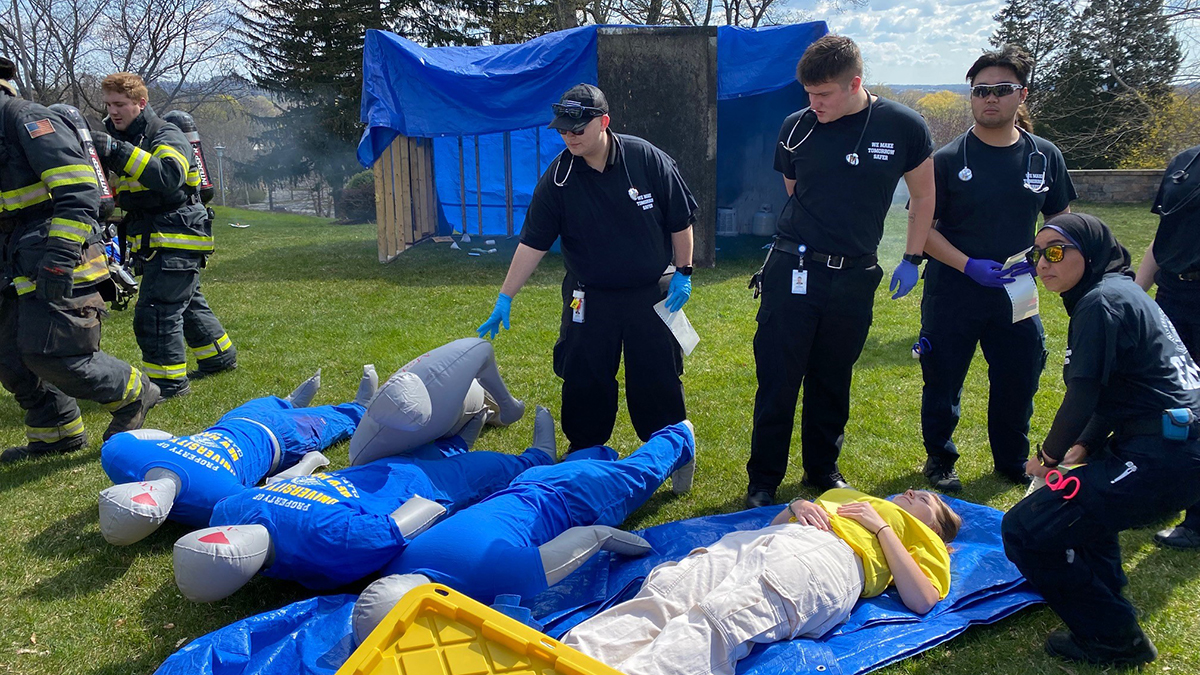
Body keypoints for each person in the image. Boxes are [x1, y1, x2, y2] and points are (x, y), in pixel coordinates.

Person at [1002, 213, 1200, 667]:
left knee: (1025, 529)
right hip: (1172, 445)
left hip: (1166, 454)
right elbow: (1117, 390)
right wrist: (1087, 446)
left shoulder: (1099, 303)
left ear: (1088, 253)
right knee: (1084, 503)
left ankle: (1114, 639)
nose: (1043, 264)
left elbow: (1085, 392)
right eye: (1036, 255)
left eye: (1055, 252)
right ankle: (1106, 596)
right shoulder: (1121, 290)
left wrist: (1047, 457)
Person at [746, 35, 936, 507]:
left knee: (833, 376)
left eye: (824, 94)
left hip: (854, 275)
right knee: (779, 376)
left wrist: (912, 257)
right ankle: (763, 480)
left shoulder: (903, 126)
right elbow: (795, 190)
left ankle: (822, 470)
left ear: (854, 83)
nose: (814, 104)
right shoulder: (797, 127)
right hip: (796, 267)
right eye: (808, 94)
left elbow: (924, 194)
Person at [476, 83, 696, 450]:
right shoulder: (558, 178)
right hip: (589, 295)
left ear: (604, 122)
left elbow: (681, 219)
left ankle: (668, 450)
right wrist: (505, 297)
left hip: (651, 292)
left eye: (577, 129)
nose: (569, 137)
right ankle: (584, 453)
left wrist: (684, 273)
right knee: (583, 376)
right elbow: (533, 242)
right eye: (563, 130)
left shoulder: (645, 159)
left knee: (657, 377)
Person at [351, 420, 697, 642]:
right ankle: (598, 455)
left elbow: (593, 537)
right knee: (594, 465)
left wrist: (640, 547)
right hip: (526, 484)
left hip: (578, 498)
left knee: (640, 473)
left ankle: (681, 435)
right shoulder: (395, 564)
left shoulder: (495, 575)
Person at [172, 407, 561, 602]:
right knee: (480, 471)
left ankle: (462, 439)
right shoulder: (327, 541)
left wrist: (307, 465)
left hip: (374, 476)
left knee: (437, 453)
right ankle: (538, 457)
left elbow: (284, 485)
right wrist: (443, 502)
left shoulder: (235, 509)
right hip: (408, 484)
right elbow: (404, 524)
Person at [561, 487, 960, 675]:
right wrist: (797, 506)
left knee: (723, 618)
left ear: (935, 529)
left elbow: (923, 599)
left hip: (829, 559)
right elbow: (776, 524)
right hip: (774, 537)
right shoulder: (854, 496)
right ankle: (561, 662)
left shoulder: (924, 541)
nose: (913, 491)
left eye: (926, 499)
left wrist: (882, 530)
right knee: (670, 590)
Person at [918, 46, 1076, 492]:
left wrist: (1047, 262)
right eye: (980, 90)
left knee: (1019, 375)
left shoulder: (1044, 156)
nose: (990, 98)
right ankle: (940, 459)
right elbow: (921, 229)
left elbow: (1061, 222)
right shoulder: (948, 159)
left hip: (1018, 288)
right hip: (954, 288)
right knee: (943, 377)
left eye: (1002, 89)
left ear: (1021, 94)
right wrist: (968, 265)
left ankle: (1011, 460)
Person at [0, 57, 157, 463]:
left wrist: (59, 257)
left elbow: (79, 191)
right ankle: (56, 430)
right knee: (11, 357)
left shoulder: (27, 120)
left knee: (57, 353)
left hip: (54, 254)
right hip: (11, 260)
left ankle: (135, 392)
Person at [98, 366, 376, 545]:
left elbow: (138, 438)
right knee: (337, 419)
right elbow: (276, 494)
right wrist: (308, 461)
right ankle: (359, 407)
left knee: (280, 403)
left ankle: (290, 403)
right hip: (281, 438)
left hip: (239, 422)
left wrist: (174, 441)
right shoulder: (218, 500)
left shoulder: (122, 457)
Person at [92, 73, 235, 399]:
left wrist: (117, 150)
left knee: (156, 313)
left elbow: (169, 177)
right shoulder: (128, 137)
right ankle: (219, 356)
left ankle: (168, 385)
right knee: (187, 304)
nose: (113, 111)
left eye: (120, 104)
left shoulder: (165, 134)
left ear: (141, 103)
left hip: (176, 237)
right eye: (109, 104)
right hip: (159, 237)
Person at [1133, 143, 1200, 548]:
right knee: (1164, 399)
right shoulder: (1184, 164)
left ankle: (1198, 520)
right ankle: (1164, 492)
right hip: (1173, 294)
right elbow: (1163, 238)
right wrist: (1133, 297)